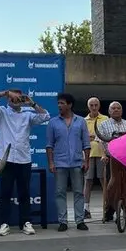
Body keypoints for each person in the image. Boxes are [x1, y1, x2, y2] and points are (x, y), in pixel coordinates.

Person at [0, 89, 50, 237]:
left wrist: (31, 103)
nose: (14, 101)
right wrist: (5, 93)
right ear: (8, 99)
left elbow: (45, 116)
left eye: (18, 98)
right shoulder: (1, 113)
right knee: (5, 193)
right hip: (5, 159)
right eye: (12, 98)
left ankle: (26, 223)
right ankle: (4, 224)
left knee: (24, 193)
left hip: (23, 159)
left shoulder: (28, 115)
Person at [46, 93, 90, 232]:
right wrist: (51, 163)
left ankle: (80, 220)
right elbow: (49, 145)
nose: (59, 105)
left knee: (78, 192)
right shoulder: (53, 122)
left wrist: (86, 161)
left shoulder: (81, 121)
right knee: (60, 192)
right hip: (60, 163)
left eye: (62, 103)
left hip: (77, 162)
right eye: (58, 103)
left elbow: (86, 143)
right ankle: (63, 221)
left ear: (70, 105)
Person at [83, 98, 108, 219]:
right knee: (88, 181)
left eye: (96, 105)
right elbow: (82, 137)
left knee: (104, 181)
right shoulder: (84, 121)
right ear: (88, 107)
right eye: (91, 105)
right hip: (88, 154)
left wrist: (94, 136)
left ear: (99, 106)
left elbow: (106, 136)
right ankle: (86, 208)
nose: (94, 107)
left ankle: (107, 207)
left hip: (102, 153)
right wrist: (90, 137)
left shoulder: (105, 119)